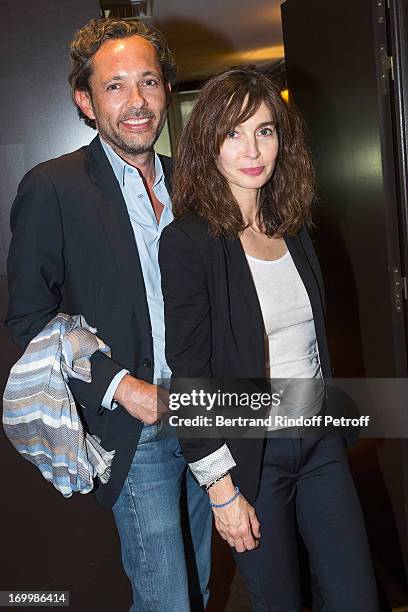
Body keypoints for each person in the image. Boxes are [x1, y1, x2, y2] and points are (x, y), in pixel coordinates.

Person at [6, 17, 211, 612]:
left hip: (204, 410)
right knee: (166, 600)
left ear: (167, 91)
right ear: (86, 101)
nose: (137, 101)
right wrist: (124, 388)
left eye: (148, 81)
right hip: (135, 429)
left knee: (198, 588)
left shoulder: (193, 185)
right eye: (115, 86)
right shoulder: (53, 187)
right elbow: (28, 320)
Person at [159, 67, 379, 611]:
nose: (251, 149)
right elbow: (189, 375)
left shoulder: (293, 224)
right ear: (208, 144)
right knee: (280, 600)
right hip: (253, 457)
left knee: (356, 596)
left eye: (264, 130)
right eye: (232, 133)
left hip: (317, 439)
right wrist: (221, 490)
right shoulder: (189, 242)